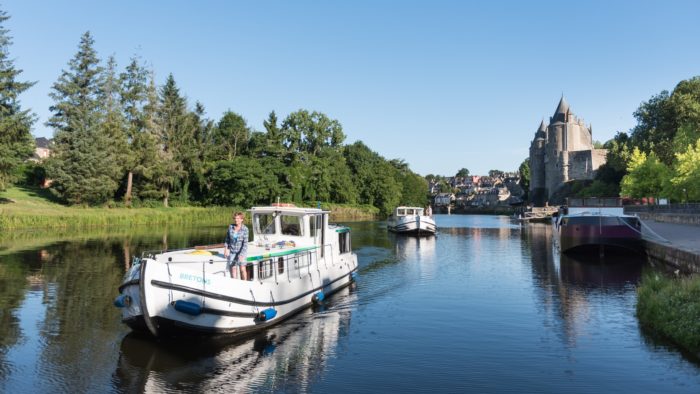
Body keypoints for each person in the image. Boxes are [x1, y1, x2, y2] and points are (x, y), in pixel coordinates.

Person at [224, 211, 249, 280]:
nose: (236, 220)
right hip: (232, 251)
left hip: (241, 251)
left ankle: (245, 283)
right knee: (233, 267)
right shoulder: (231, 227)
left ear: (242, 219)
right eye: (235, 218)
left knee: (242, 268)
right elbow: (227, 239)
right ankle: (235, 283)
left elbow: (245, 244)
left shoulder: (245, 229)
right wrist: (226, 249)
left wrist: (241, 254)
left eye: (238, 218)